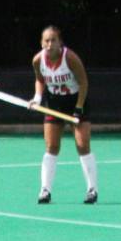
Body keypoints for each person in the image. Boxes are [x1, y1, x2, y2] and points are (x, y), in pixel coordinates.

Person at [30, 26, 95, 204]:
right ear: (41, 43)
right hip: (54, 103)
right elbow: (39, 79)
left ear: (60, 42)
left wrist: (79, 107)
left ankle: (92, 189)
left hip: (76, 101)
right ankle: (45, 190)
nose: (50, 44)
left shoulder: (70, 58)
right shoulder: (38, 60)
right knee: (51, 145)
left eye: (53, 40)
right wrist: (36, 98)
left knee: (82, 144)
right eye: (46, 41)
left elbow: (83, 82)